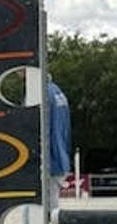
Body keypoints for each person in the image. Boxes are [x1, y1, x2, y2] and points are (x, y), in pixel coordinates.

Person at [48, 78, 72, 223]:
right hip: (60, 155)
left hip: (49, 157)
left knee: (46, 209)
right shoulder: (57, 91)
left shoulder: (38, 93)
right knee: (53, 206)